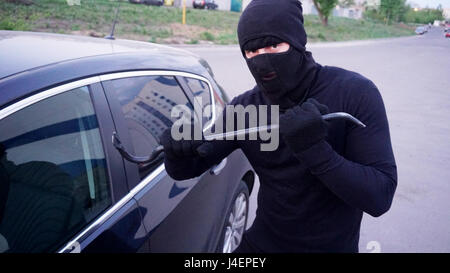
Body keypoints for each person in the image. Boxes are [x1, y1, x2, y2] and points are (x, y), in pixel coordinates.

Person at [160, 0, 397, 253]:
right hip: (262, 245)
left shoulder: (354, 93)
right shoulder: (246, 109)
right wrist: (176, 153)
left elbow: (379, 197)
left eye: (274, 45)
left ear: (297, 41)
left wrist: (315, 150)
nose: (262, 61)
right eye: (252, 52)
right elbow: (191, 165)